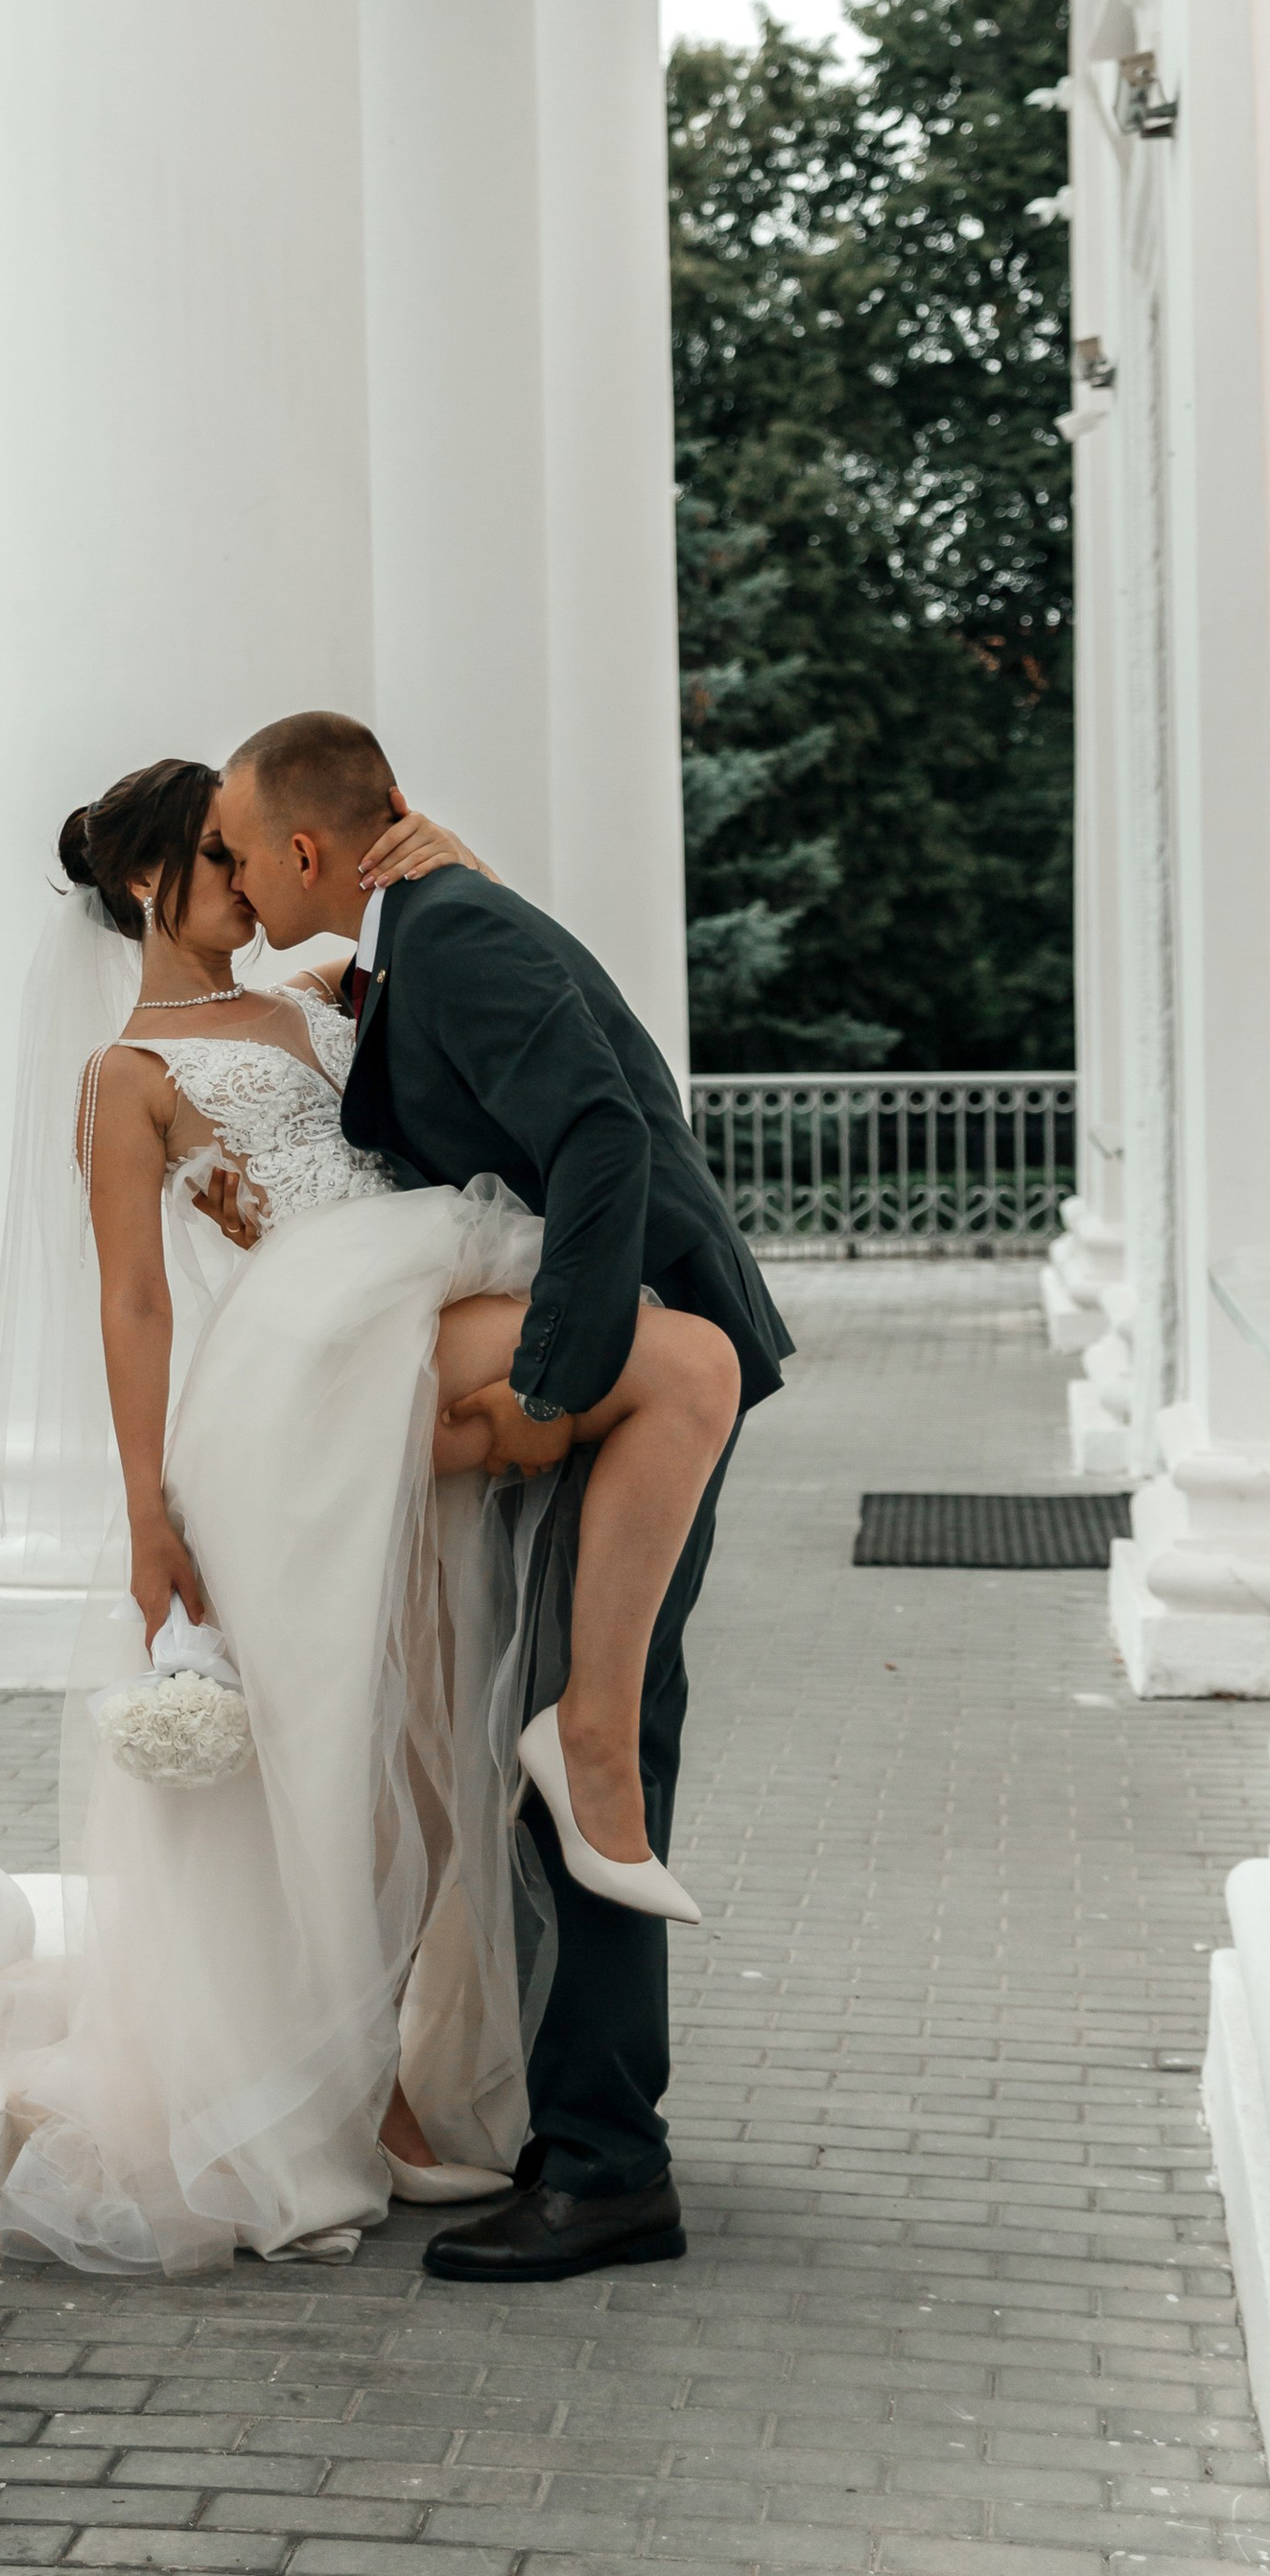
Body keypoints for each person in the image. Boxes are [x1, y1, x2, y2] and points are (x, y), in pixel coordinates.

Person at [0, 756, 738, 2278]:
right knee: (350, 1755)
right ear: (146, 886)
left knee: (428, 1761)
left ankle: (394, 2092)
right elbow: (134, 1298)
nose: (244, 883)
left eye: (249, 854)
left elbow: (461, 983)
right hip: (305, 1377)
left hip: (399, 1347)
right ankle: (326, 2085)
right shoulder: (127, 1074)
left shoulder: (326, 990)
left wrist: (461, 877)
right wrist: (145, 1515)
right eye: (213, 859)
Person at [214, 708, 792, 2286]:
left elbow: (605, 1133)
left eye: (243, 850)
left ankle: (609, 2168)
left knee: (591, 1740)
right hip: (621, 1351)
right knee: (557, 1727)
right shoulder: (433, 933)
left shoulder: (454, 930)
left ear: (312, 848)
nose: (239, 879)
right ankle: (582, 2134)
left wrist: (553, 1377)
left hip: (641, 1362)